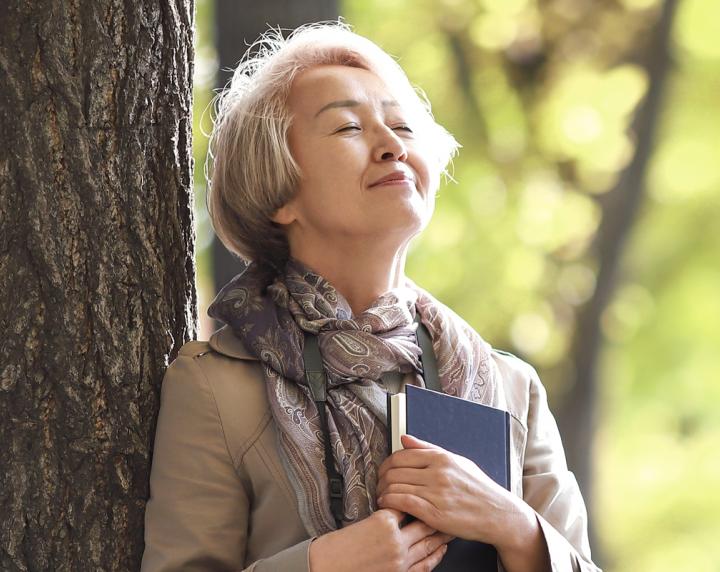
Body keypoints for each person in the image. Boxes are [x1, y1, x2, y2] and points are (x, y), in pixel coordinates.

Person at [141, 21, 601, 572]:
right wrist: (319, 566)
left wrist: (514, 526)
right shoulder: (215, 388)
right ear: (278, 190)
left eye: (403, 126)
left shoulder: (512, 389)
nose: (391, 146)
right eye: (347, 128)